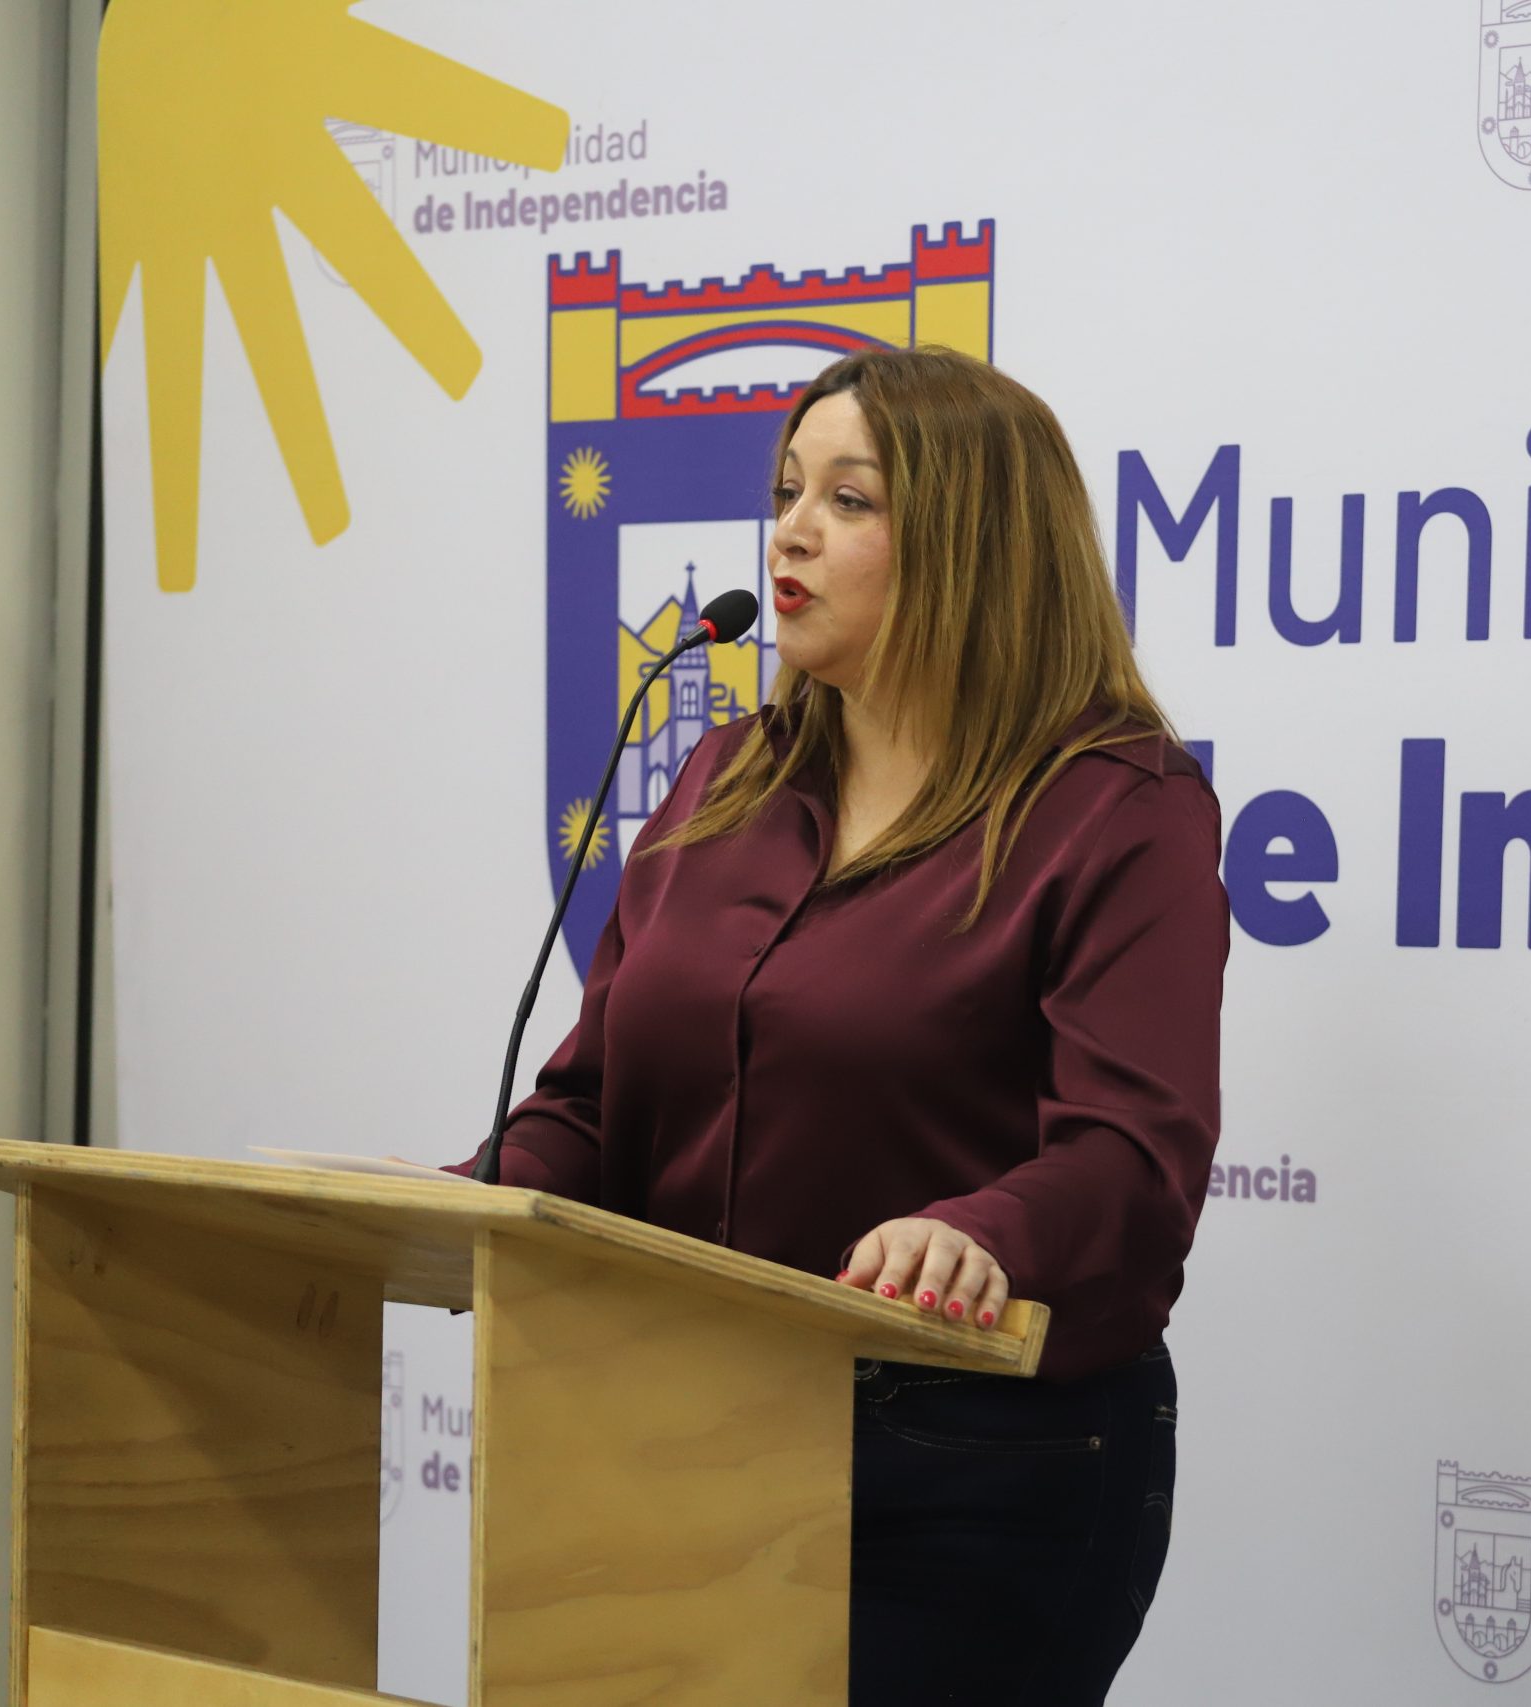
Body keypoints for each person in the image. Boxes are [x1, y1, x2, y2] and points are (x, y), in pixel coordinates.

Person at [452, 344, 1228, 1703]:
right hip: (680, 1420)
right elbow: (594, 1104)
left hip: (971, 1464)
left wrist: (981, 1233)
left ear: (975, 544)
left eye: (849, 500)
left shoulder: (1116, 806)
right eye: (787, 492)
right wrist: (464, 1202)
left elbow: (1133, 1156)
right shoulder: (722, 776)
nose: (791, 532)